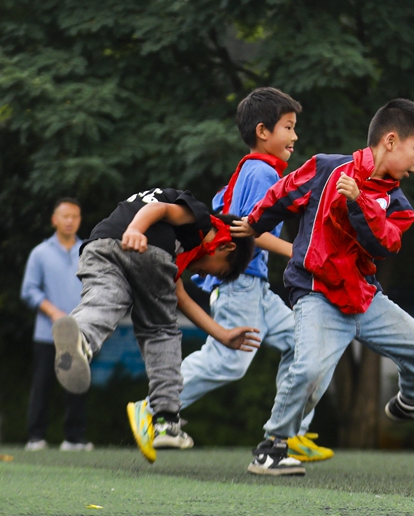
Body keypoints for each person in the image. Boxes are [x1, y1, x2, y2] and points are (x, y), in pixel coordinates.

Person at [239, 99, 414, 476]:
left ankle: (411, 402)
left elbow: (385, 245)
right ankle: (272, 448)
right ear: (392, 141)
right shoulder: (327, 168)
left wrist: (358, 202)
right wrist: (254, 223)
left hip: (364, 298)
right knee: (309, 369)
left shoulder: (400, 205)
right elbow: (283, 193)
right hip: (317, 294)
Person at [167, 88, 333, 463]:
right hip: (239, 283)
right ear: (263, 131)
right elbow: (247, 229)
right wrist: (302, 253)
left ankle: (290, 432)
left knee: (305, 343)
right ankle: (155, 409)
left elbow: (219, 207)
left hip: (253, 284)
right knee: (229, 361)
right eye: (288, 127)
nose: (294, 136)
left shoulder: (252, 169)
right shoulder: (260, 172)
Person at [51, 188, 260, 463]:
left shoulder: (185, 243)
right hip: (145, 245)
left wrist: (222, 334)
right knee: (160, 331)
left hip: (98, 244)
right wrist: (136, 230)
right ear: (226, 246)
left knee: (104, 300)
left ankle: (82, 340)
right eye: (215, 271)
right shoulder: (200, 217)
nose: (200, 273)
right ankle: (166, 420)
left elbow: (179, 296)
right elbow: (159, 209)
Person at [20, 199, 91, 451]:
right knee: (43, 384)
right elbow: (29, 290)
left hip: (80, 332)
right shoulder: (40, 253)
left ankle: (74, 438)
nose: (70, 220)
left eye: (75, 216)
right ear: (55, 220)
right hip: (47, 334)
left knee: (78, 383)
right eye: (65, 216)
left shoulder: (88, 251)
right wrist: (53, 312)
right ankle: (36, 437)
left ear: (80, 220)